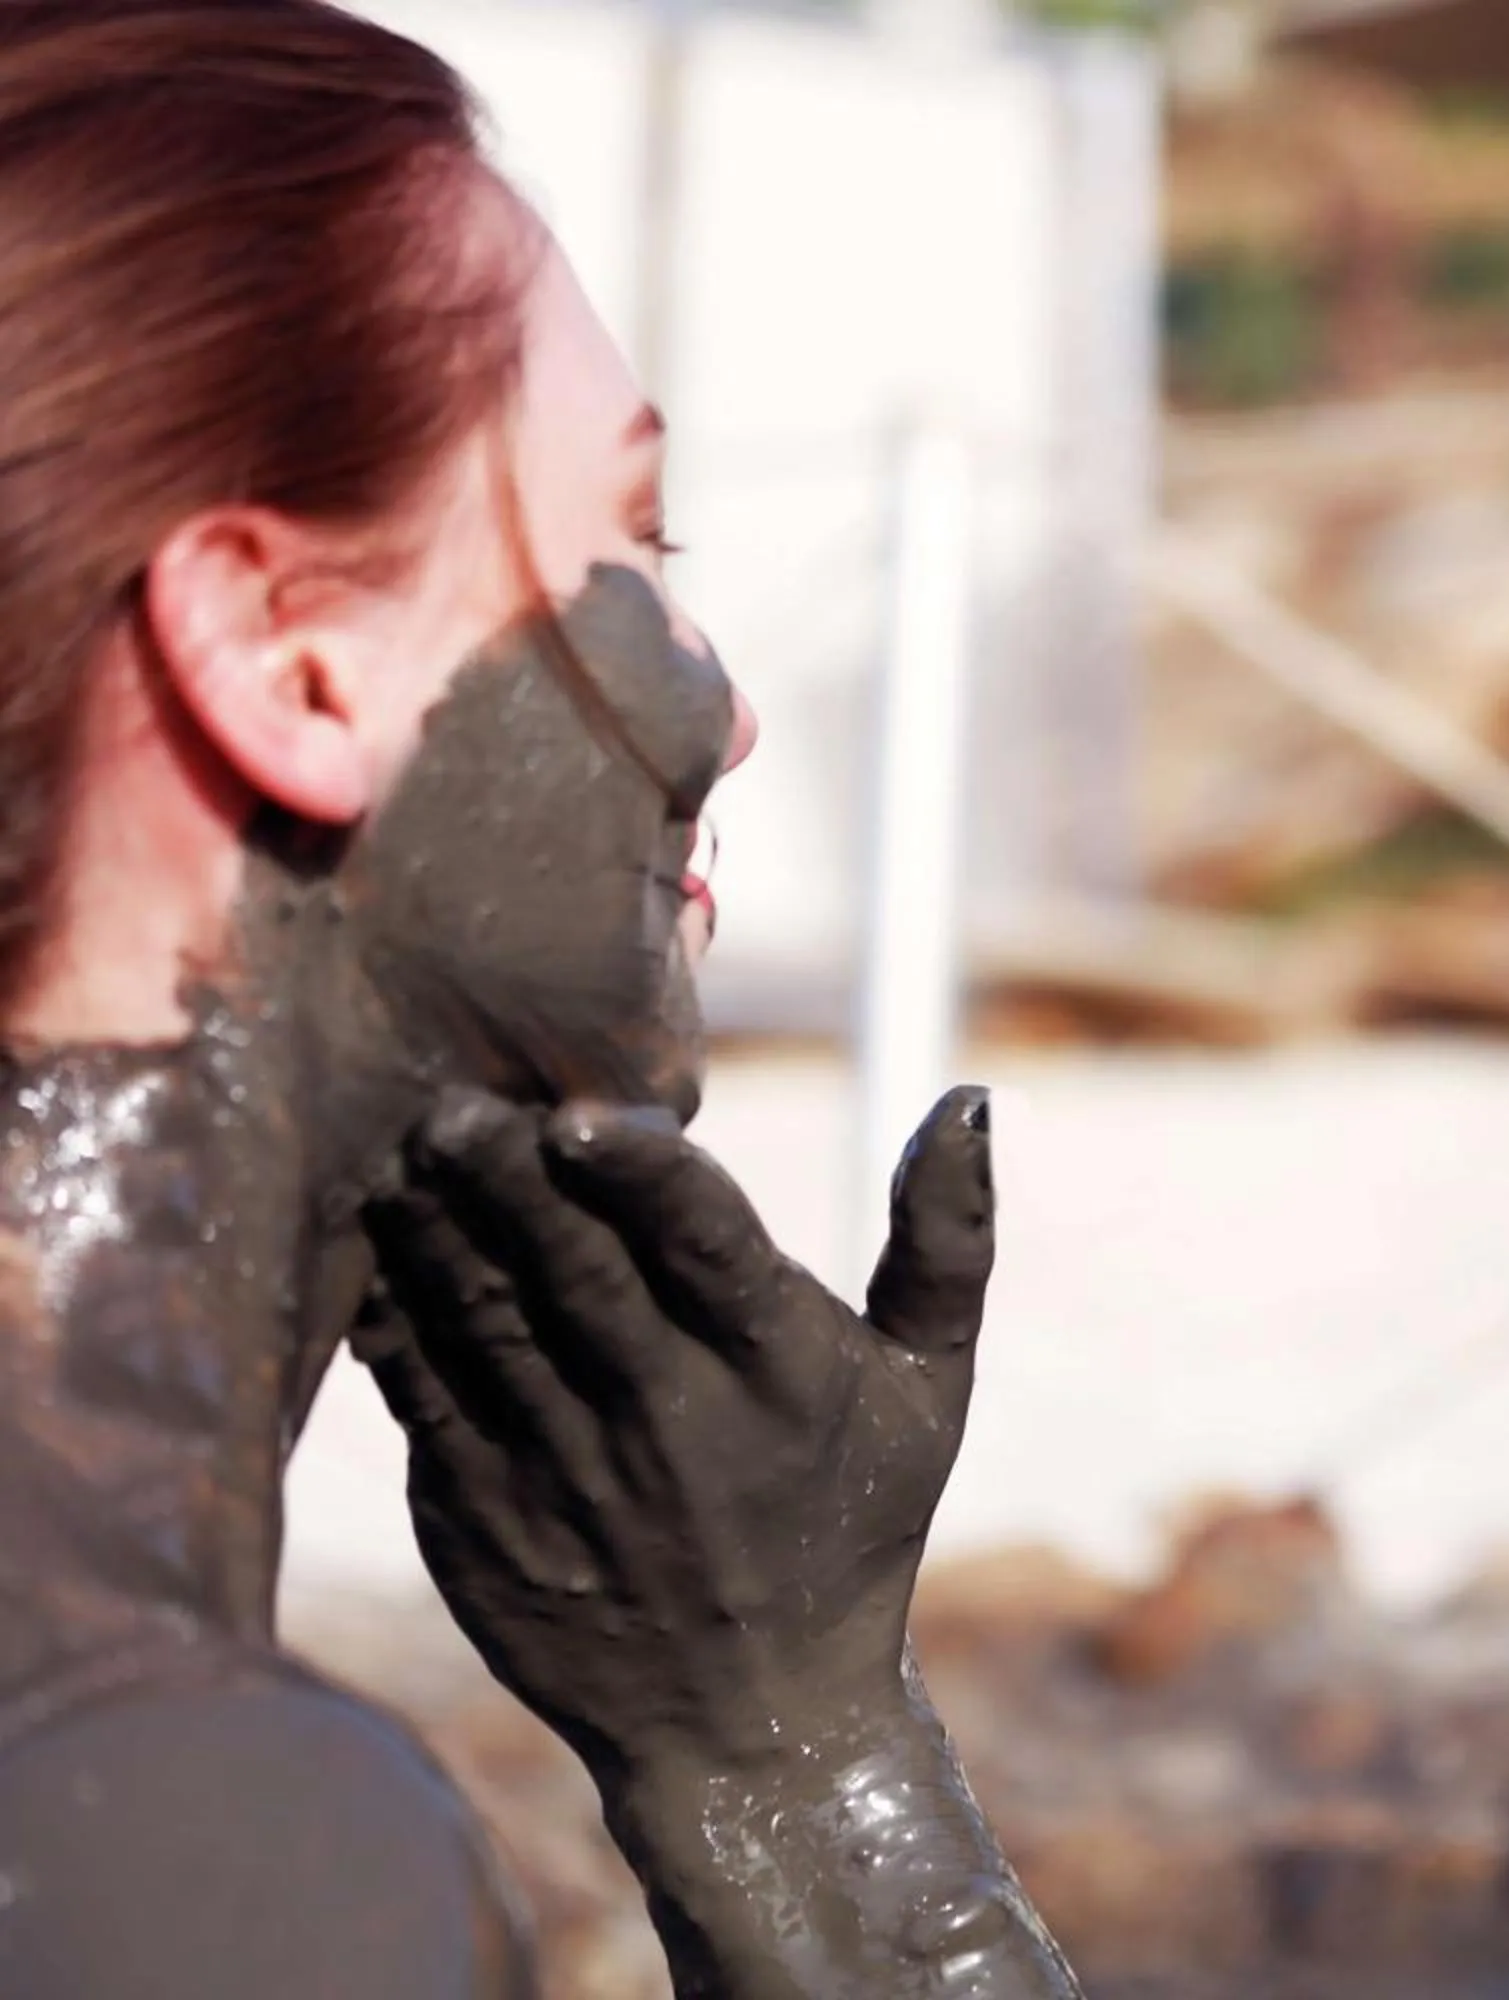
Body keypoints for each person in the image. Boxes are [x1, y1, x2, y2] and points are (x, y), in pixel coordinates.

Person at [0, 5, 1070, 1994]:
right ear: (289, 660)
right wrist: (804, 1759)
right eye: (630, 538)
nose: (727, 705)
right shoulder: (184, 1821)